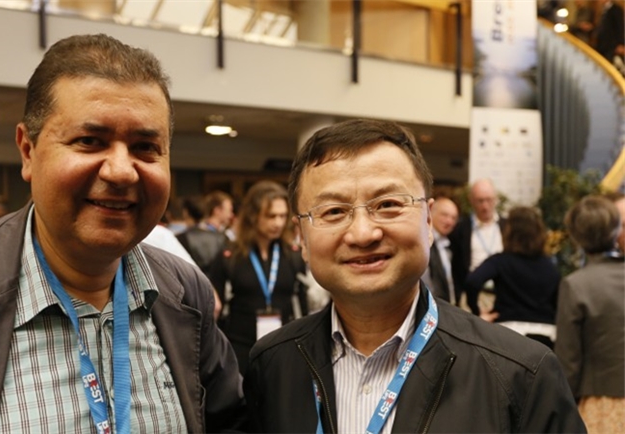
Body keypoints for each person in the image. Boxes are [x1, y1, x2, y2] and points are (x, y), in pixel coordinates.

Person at [0, 34, 243, 433]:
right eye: (89, 141)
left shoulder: (185, 294)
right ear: (28, 150)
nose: (121, 171)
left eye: (145, 147)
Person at [243, 118, 585, 433]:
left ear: (428, 220)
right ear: (301, 238)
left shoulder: (520, 374)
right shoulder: (272, 367)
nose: (362, 233)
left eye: (388, 205)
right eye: (333, 211)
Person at [208, 180, 307, 374]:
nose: (278, 223)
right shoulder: (230, 255)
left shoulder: (293, 255)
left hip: (283, 345)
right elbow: (215, 307)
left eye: (282, 216)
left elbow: (303, 303)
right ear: (253, 216)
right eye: (271, 216)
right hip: (240, 347)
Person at [556, 195, 624, 433]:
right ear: (616, 231)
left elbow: (569, 361)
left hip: (601, 403)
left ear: (576, 235)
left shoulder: (576, 285)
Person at [464, 206, 561, 349]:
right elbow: (558, 301)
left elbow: (473, 281)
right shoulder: (550, 266)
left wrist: (476, 311)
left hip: (508, 332)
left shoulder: (500, 261)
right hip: (546, 335)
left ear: (509, 231)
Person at [449, 178, 505, 312]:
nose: (485, 206)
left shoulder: (507, 226)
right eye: (480, 201)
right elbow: (455, 266)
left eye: (489, 200)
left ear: (496, 199)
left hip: (502, 295)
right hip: (471, 294)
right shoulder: (461, 229)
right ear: (471, 201)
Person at [177, 190, 233, 273]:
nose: (231, 215)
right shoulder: (223, 238)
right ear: (217, 210)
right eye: (229, 210)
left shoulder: (186, 235)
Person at [421, 195, 459, 304]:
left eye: (453, 218)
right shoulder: (422, 242)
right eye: (445, 215)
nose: (449, 221)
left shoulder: (449, 245)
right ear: (430, 212)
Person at [594, 0, 625, 65]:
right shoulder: (604, 10)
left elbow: (619, 27)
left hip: (612, 45)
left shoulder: (616, 9)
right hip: (602, 45)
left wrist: (621, 43)